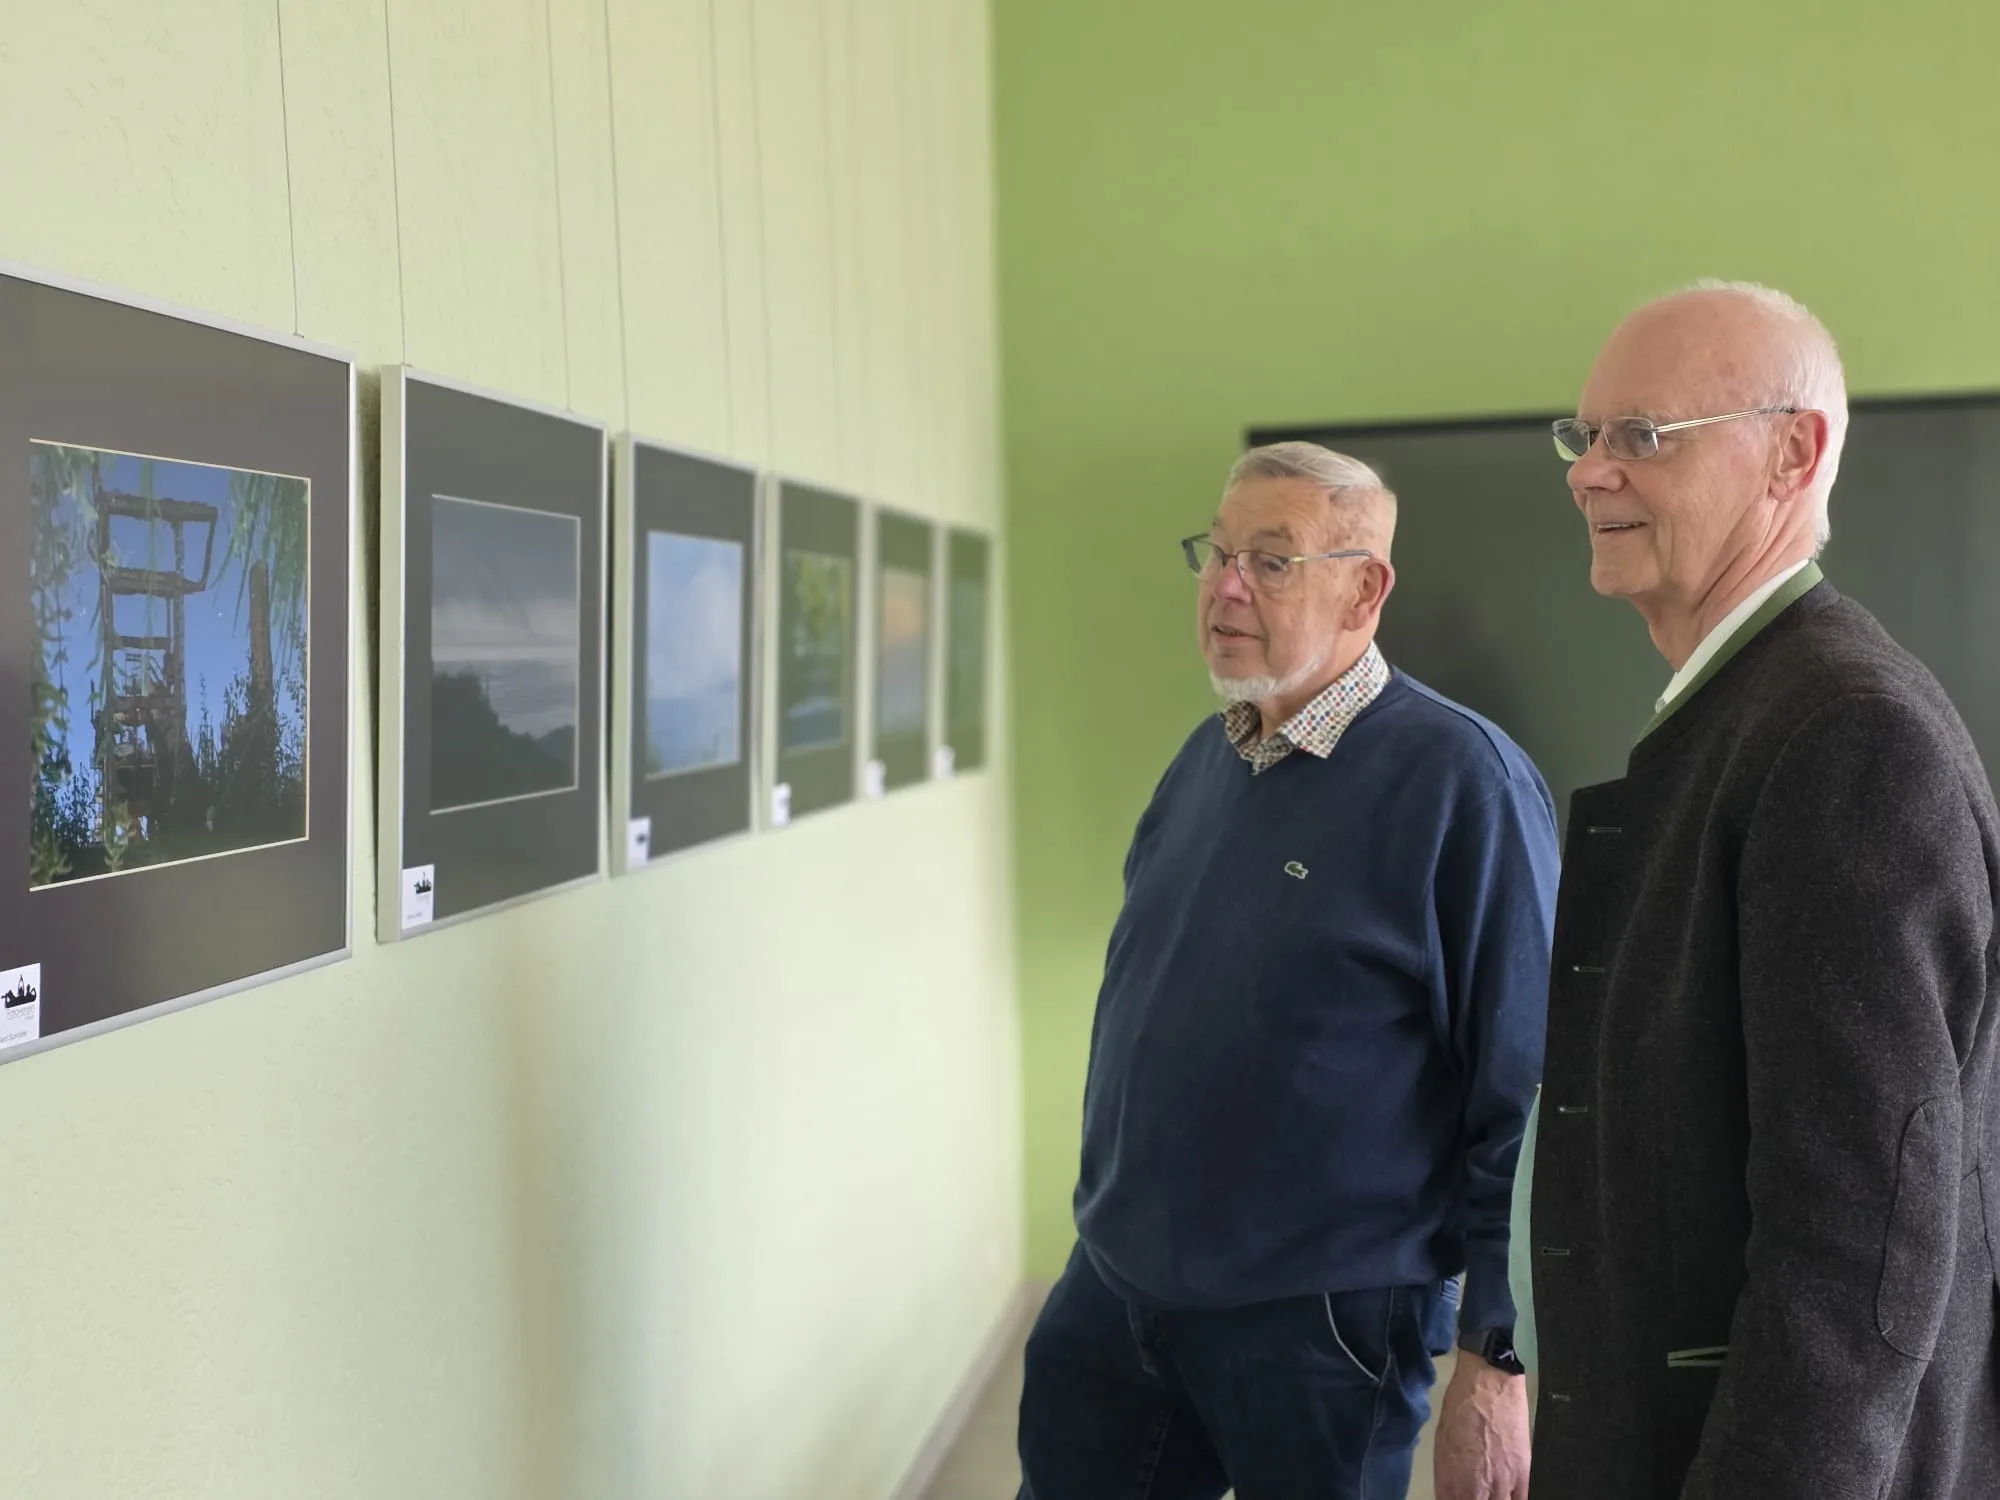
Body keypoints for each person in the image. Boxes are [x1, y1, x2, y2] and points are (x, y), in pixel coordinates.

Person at [1521, 280, 2000, 1497]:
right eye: (1584, 437)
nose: (1587, 474)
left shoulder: (1842, 737)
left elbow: (1855, 1253)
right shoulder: (1755, 713)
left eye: (1642, 436)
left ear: (1793, 453)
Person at [1015, 441, 1556, 1500]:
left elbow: (1522, 1090)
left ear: (1365, 586)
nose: (1223, 587)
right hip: (1117, 1289)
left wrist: (1497, 1356)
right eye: (1215, 554)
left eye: (1270, 561)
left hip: (1320, 1327)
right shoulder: (1202, 758)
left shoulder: (1463, 783)